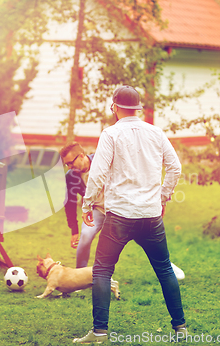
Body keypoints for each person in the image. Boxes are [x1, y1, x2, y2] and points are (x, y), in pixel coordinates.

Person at [73, 86, 187, 343]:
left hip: (120, 218)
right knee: (165, 271)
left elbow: (98, 174)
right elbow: (175, 168)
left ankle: (100, 332)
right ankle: (181, 327)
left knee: (102, 271)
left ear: (114, 106)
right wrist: (162, 197)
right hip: (151, 216)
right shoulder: (156, 132)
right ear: (137, 108)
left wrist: (87, 205)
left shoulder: (111, 134)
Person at [61, 142, 105, 269]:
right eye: (67, 164)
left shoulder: (102, 161)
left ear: (81, 156)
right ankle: (79, 275)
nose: (69, 167)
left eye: (70, 163)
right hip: (97, 210)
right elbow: (70, 203)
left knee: (142, 236)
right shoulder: (71, 176)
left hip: (118, 208)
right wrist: (74, 230)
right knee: (85, 235)